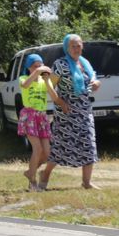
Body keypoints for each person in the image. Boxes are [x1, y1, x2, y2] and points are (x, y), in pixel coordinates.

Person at [38, 34, 101, 191]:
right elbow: (49, 85)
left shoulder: (85, 64)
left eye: (79, 45)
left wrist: (96, 83)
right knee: (61, 146)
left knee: (89, 143)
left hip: (84, 110)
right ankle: (44, 175)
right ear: (67, 48)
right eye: (73, 46)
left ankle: (86, 182)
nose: (76, 48)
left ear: (82, 47)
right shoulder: (60, 64)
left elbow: (94, 79)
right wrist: (60, 102)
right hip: (65, 110)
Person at [17, 54, 61, 191]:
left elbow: (54, 97)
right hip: (29, 115)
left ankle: (31, 171)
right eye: (35, 66)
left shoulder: (43, 81)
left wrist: (48, 80)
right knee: (37, 149)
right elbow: (25, 85)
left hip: (41, 117)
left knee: (47, 152)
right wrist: (37, 71)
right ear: (29, 68)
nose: (38, 69)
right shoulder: (24, 78)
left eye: (40, 65)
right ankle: (32, 181)